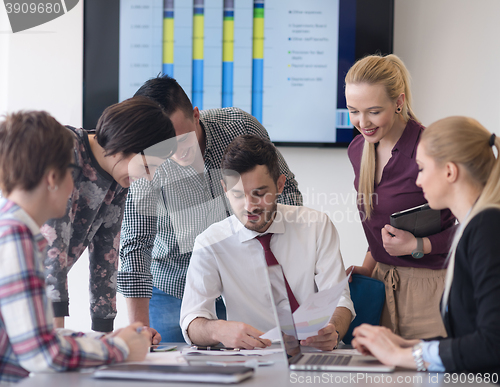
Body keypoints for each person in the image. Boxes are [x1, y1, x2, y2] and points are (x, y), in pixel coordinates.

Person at [118, 75, 303, 342]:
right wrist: (139, 329)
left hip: (246, 285)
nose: (175, 153)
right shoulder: (146, 161)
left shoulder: (238, 127)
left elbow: (286, 195)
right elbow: (136, 243)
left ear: (196, 115)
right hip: (173, 287)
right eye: (164, 146)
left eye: (182, 139)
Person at [0, 111, 151, 384]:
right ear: (52, 178)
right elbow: (43, 355)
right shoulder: (15, 237)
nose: (77, 185)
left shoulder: (15, 232)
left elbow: (37, 337)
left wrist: (106, 340)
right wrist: (119, 349)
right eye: (74, 173)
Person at [352, 116, 500, 374]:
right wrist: (407, 345)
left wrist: (401, 355)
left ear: (450, 171)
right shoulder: (474, 227)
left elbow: (493, 344)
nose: (418, 181)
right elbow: (472, 337)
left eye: (421, 168)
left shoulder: (487, 228)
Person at [179, 135, 353, 350]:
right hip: (254, 356)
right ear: (225, 189)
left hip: (317, 353)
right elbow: (191, 319)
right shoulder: (210, 242)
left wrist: (333, 330)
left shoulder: (316, 225)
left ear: (280, 185)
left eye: (259, 194)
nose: (250, 206)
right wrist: (218, 330)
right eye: (237, 195)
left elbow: (340, 301)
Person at [42, 97, 176, 338]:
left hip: (35, 293)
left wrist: (106, 337)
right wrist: (55, 339)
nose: (148, 177)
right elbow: (53, 253)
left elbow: (107, 255)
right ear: (126, 144)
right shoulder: (65, 150)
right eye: (147, 166)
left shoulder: (119, 180)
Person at [345, 54, 456, 339]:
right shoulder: (358, 149)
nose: (362, 122)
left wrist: (420, 244)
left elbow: (473, 226)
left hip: (432, 289)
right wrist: (368, 267)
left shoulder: (431, 148)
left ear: (398, 102)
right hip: (382, 286)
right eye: (353, 111)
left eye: (373, 111)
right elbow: (379, 223)